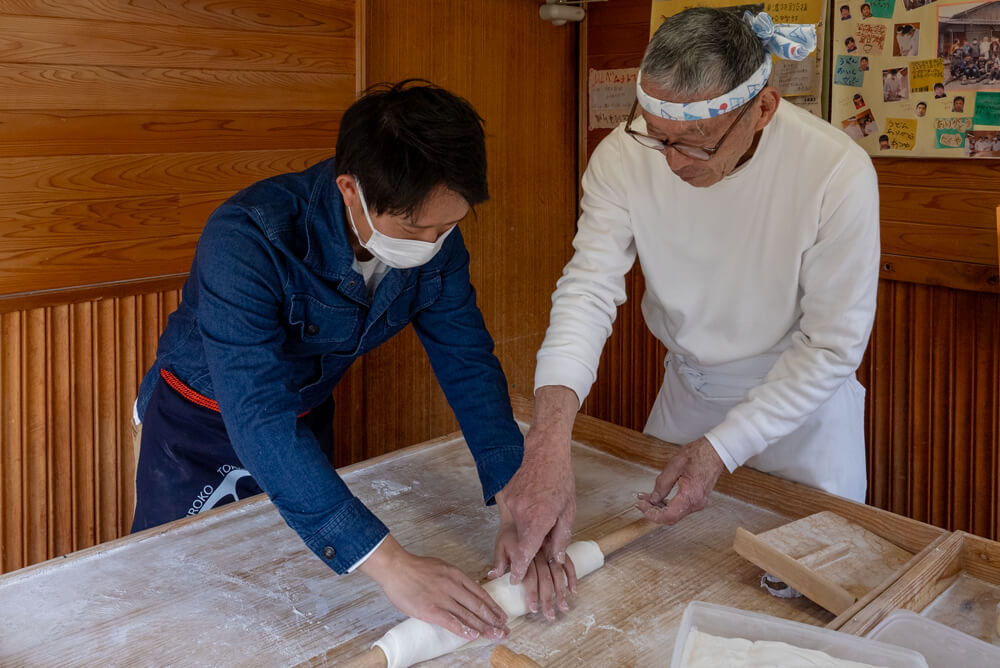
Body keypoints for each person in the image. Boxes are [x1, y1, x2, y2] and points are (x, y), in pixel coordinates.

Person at [130, 80, 573, 637]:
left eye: (449, 225)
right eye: (416, 229)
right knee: (185, 602)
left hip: (303, 417)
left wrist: (516, 496)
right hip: (198, 425)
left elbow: (467, 360)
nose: (434, 242)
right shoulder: (248, 236)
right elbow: (257, 416)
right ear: (349, 189)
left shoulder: (437, 243)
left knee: (292, 593)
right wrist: (393, 566)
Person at [528, 7, 879, 532]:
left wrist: (722, 448)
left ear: (763, 108)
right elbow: (588, 289)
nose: (673, 161)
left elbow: (831, 344)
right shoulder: (623, 155)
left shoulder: (835, 172)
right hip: (689, 394)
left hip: (802, 412)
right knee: (660, 562)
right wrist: (548, 438)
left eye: (698, 141)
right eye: (658, 135)